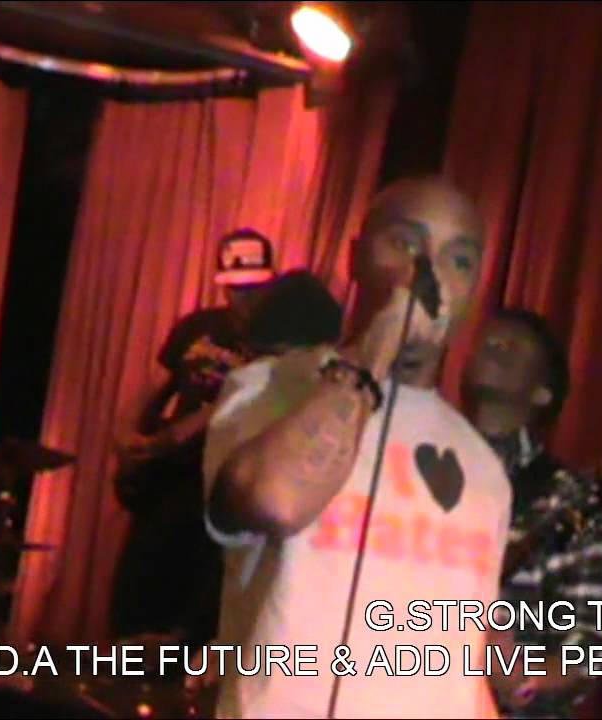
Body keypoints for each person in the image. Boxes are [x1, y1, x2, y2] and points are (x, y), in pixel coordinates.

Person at [201, 177, 511, 718]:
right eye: (406, 245)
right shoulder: (269, 389)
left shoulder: (483, 468)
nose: (430, 276)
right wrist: (378, 344)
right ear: (355, 259)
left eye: (459, 260)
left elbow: (461, 663)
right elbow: (276, 500)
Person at [109, 228, 277, 648]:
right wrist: (128, 435)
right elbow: (156, 385)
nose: (244, 298)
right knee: (140, 580)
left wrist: (177, 435)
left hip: (221, 479)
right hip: (170, 475)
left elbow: (234, 407)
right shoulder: (198, 326)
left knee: (197, 595)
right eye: (236, 288)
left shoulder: (275, 344)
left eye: (253, 288)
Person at [461, 309, 602, 718]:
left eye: (514, 346)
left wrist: (524, 678)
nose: (495, 347)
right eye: (489, 340)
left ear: (542, 393)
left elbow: (592, 642)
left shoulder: (570, 497)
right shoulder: (414, 460)